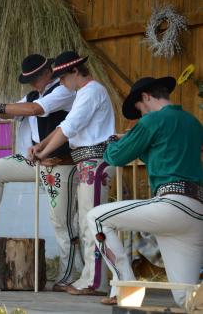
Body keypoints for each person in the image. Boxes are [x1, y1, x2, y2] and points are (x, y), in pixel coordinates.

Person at [87, 76, 203, 306]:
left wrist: (111, 142)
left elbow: (117, 156)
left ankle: (126, 290)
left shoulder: (152, 121)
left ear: (146, 97)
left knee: (96, 217)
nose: (141, 115)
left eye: (140, 109)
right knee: (188, 300)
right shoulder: (193, 123)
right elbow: (165, 149)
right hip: (196, 213)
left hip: (171, 206)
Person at [0, 53, 82, 290]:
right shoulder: (32, 94)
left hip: (59, 163)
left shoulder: (62, 91)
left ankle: (68, 273)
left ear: (47, 73)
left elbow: (34, 110)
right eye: (28, 79)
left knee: (61, 222)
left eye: (34, 78)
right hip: (33, 160)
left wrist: (0, 105)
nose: (32, 83)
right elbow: (14, 111)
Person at [33, 51, 116, 295]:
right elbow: (64, 126)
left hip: (94, 160)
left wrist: (43, 150)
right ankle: (90, 277)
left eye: (62, 78)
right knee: (85, 221)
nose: (60, 83)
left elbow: (68, 128)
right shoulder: (85, 93)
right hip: (86, 162)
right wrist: (42, 145)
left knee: (92, 221)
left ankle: (95, 281)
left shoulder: (91, 91)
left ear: (75, 72)